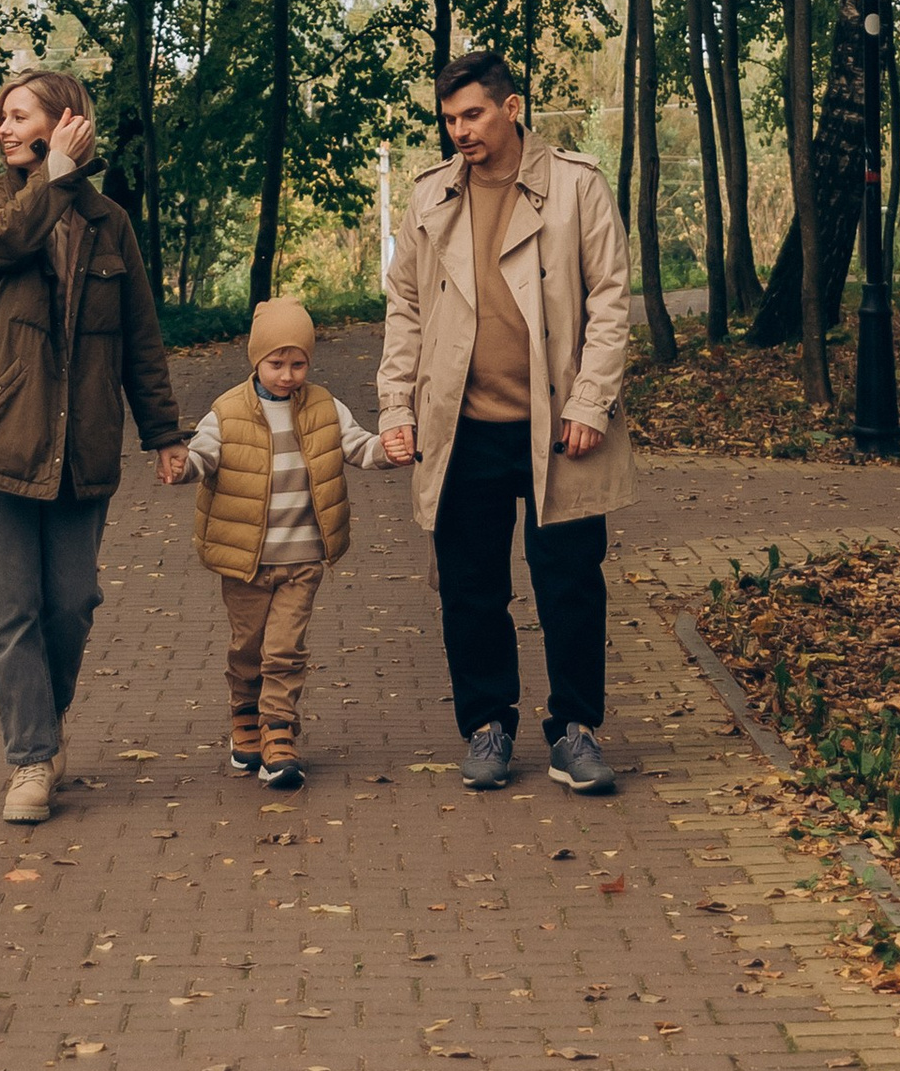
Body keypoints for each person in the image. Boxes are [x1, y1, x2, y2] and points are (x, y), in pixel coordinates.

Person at [0, 68, 187, 823]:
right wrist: (57, 173)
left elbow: (141, 337)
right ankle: (31, 759)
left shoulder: (111, 224)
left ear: (66, 118)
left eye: (18, 115)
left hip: (82, 445)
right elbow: (9, 237)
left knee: (70, 603)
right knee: (14, 608)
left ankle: (45, 719)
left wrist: (164, 432)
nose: (2, 129)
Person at [378, 48, 632, 794]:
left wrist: (589, 401)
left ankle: (576, 728)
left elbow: (611, 300)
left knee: (570, 582)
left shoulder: (576, 187)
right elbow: (406, 309)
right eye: (449, 117)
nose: (460, 130)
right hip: (462, 424)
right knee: (470, 584)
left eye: (473, 114)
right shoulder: (429, 197)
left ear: (511, 106)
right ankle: (487, 723)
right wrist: (396, 406)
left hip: (559, 426)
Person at [167, 296, 389, 789]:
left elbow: (357, 445)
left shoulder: (326, 407)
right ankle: (244, 714)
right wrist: (183, 467)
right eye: (276, 363)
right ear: (256, 360)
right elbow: (203, 455)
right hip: (246, 559)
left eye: (298, 363)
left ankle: (279, 732)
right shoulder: (226, 411)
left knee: (284, 650)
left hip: (304, 555)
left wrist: (386, 450)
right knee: (248, 647)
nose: (287, 374)